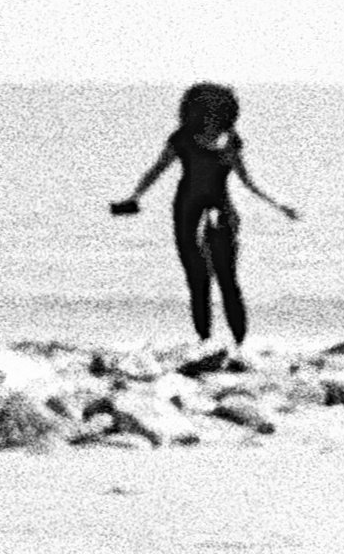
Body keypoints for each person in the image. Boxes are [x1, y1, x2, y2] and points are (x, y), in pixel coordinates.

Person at [110, 82, 299, 352]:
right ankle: (204, 341)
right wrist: (134, 197)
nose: (211, 116)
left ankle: (239, 344)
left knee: (227, 275)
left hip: (221, 209)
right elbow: (156, 171)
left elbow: (248, 181)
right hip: (187, 210)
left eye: (216, 109)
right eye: (205, 109)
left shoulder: (230, 142)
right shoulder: (182, 139)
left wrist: (279, 205)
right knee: (197, 277)